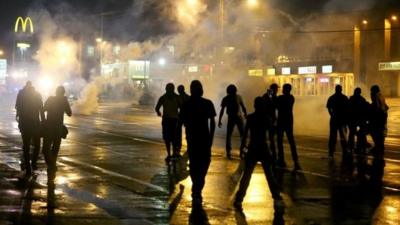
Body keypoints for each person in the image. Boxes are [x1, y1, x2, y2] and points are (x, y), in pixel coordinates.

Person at [234, 97, 283, 211]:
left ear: (255, 105)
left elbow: (246, 134)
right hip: (263, 148)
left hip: (253, 148)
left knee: (247, 175)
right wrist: (274, 153)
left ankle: (239, 198)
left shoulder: (251, 118)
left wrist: (242, 148)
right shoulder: (267, 118)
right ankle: (276, 196)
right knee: (269, 174)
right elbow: (271, 137)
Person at [180, 80, 216, 206]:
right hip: (202, 139)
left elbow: (181, 121)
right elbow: (212, 122)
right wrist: (211, 137)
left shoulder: (187, 104)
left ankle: (197, 187)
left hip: (194, 139)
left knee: (196, 165)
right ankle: (197, 188)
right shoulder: (206, 103)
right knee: (203, 164)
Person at [15, 81, 45, 177]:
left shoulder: (21, 94)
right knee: (37, 145)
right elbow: (41, 109)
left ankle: (28, 165)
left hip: (24, 123)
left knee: (26, 145)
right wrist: (43, 121)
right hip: (35, 123)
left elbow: (17, 107)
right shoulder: (37, 94)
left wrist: (18, 117)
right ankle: (33, 163)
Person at [42, 86, 72, 182]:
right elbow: (69, 113)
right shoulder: (64, 100)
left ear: (56, 92)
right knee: (55, 149)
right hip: (58, 128)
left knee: (46, 149)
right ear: (63, 93)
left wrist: (43, 120)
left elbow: (43, 109)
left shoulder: (51, 99)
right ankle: (52, 165)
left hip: (49, 127)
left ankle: (51, 165)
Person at [218, 84, 247, 159]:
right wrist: (245, 114)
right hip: (237, 118)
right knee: (241, 135)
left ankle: (233, 151)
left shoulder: (227, 98)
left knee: (232, 135)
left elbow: (222, 110)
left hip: (235, 118)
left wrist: (220, 120)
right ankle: (240, 150)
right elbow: (243, 107)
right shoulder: (237, 97)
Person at [276, 84, 300, 170]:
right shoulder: (291, 98)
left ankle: (281, 158)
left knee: (279, 141)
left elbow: (275, 105)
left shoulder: (281, 98)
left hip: (281, 120)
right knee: (291, 140)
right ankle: (295, 159)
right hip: (289, 120)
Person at [155, 83, 180, 161]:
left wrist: (159, 113)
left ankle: (170, 153)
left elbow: (157, 108)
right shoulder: (176, 97)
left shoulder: (163, 97)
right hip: (173, 120)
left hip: (167, 120)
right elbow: (182, 107)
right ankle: (173, 153)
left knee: (168, 138)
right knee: (173, 138)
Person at [326, 85, 349, 159]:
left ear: (335, 90)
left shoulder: (331, 98)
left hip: (334, 119)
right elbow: (347, 109)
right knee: (343, 136)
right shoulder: (344, 98)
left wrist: (332, 115)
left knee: (333, 136)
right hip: (342, 119)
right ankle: (345, 150)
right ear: (341, 90)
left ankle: (331, 151)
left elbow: (329, 108)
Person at [369, 85, 388, 159]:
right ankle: (380, 147)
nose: (371, 93)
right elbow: (386, 107)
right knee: (381, 132)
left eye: (371, 92)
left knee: (375, 131)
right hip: (383, 116)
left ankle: (378, 148)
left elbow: (376, 107)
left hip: (378, 117)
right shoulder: (382, 95)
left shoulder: (376, 96)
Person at [348, 88, 368, 153]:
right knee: (362, 133)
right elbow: (365, 109)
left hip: (353, 118)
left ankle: (351, 146)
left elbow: (348, 108)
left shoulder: (351, 99)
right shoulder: (362, 99)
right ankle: (361, 146)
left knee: (352, 133)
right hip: (360, 118)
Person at [263, 83, 279, 164]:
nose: (277, 90)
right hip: (267, 118)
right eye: (276, 89)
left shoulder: (273, 96)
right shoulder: (268, 96)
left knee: (271, 137)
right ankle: (271, 154)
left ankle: (272, 153)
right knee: (270, 138)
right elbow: (270, 105)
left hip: (271, 119)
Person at [176, 85, 190, 156]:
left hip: (182, 115)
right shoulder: (188, 97)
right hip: (186, 116)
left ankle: (179, 145)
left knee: (179, 131)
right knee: (187, 131)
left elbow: (177, 106)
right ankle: (188, 145)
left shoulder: (179, 97)